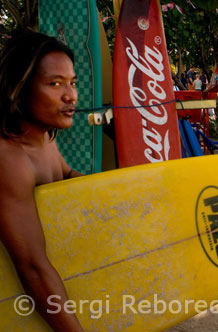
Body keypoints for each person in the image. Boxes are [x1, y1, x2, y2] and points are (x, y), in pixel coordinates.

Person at [0, 30, 84, 331]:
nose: (70, 95)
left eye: (73, 83)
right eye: (54, 84)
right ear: (19, 90)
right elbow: (32, 268)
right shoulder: (10, 159)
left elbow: (66, 175)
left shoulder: (45, 137)